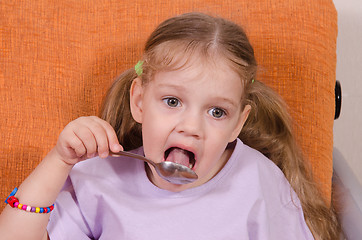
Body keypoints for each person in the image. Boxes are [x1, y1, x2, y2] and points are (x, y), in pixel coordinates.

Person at [0, 12, 340, 240]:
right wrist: (59, 161)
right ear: (139, 101)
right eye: (173, 102)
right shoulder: (98, 180)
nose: (191, 127)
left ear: (239, 123)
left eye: (217, 112)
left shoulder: (258, 181)